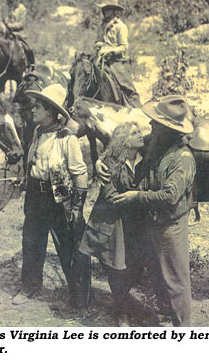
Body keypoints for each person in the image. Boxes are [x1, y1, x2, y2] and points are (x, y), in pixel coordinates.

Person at [98, 95, 195, 326]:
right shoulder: (154, 142)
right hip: (150, 222)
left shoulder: (182, 159)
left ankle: (184, 328)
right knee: (155, 273)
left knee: (176, 281)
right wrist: (99, 161)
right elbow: (119, 145)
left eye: (155, 123)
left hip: (169, 227)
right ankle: (162, 312)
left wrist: (136, 196)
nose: (149, 126)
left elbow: (170, 196)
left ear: (167, 128)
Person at [12, 83, 91, 312]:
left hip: (59, 198)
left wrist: (77, 207)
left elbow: (79, 173)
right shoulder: (37, 132)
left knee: (67, 246)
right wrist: (26, 181)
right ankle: (30, 285)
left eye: (37, 107)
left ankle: (78, 297)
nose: (32, 111)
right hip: (35, 196)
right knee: (32, 241)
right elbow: (35, 163)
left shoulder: (67, 138)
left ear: (50, 111)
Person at [79, 122, 147, 326]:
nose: (140, 135)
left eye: (139, 130)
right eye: (134, 133)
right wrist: (139, 197)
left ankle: (123, 301)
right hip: (113, 222)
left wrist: (138, 197)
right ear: (124, 140)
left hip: (135, 223)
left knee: (137, 266)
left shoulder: (145, 158)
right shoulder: (111, 160)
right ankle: (121, 310)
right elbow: (110, 195)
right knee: (116, 268)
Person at [94, 0, 141, 108]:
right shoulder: (102, 26)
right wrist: (99, 44)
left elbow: (124, 47)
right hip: (100, 60)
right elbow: (98, 41)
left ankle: (137, 109)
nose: (105, 12)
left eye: (108, 9)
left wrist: (110, 50)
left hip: (115, 62)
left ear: (115, 11)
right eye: (104, 9)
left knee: (128, 87)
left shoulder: (120, 27)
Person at [0, 0, 34, 70]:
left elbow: (22, 23)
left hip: (18, 33)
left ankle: (31, 65)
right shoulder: (3, 7)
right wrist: (2, 26)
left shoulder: (21, 8)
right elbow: (0, 20)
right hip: (4, 33)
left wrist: (10, 26)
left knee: (28, 48)